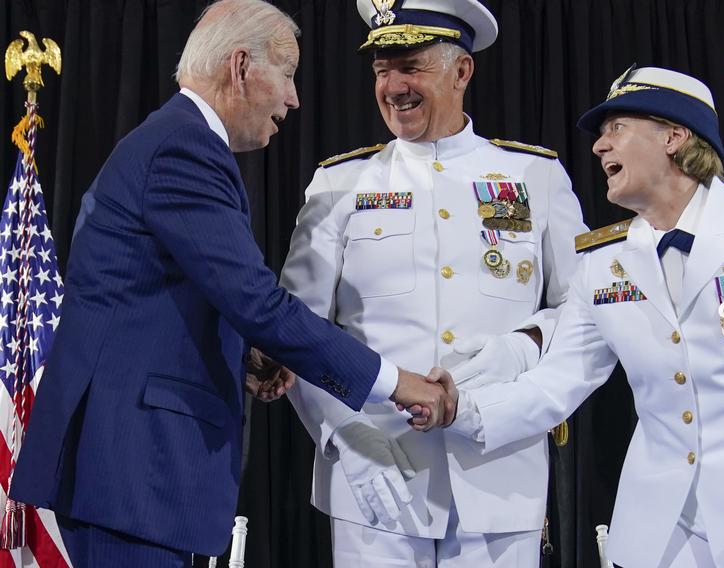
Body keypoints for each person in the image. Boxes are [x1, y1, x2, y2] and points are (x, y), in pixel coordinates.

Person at [8, 1, 452, 566]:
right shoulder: (184, 148)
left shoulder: (175, 140)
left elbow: (156, 295)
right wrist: (396, 383)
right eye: (288, 75)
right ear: (240, 66)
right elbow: (259, 303)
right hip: (134, 471)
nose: (293, 99)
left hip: (133, 476)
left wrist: (244, 355)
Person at [437, 66, 724, 567]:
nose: (599, 147)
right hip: (659, 537)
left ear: (674, 136)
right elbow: (556, 383)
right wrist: (463, 411)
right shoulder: (601, 264)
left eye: (617, 129)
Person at [280, 0, 586, 565]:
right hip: (375, 479)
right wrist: (347, 437)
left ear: (462, 70)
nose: (393, 86)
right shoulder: (338, 182)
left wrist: (527, 344)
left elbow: (586, 310)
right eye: (381, 70)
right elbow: (295, 328)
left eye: (411, 66)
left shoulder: (534, 176)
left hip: (500, 478)